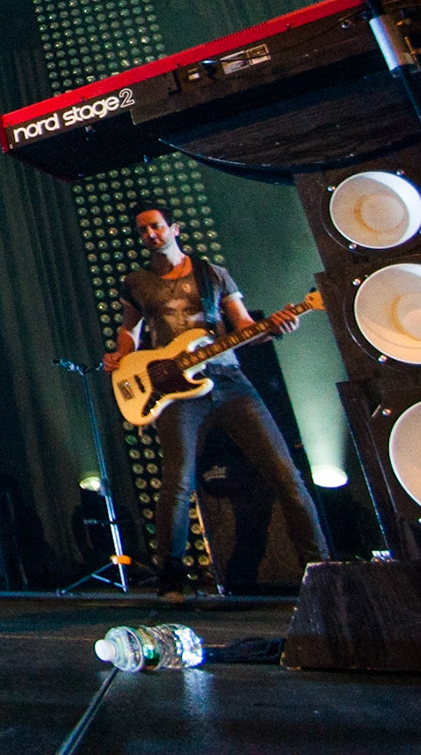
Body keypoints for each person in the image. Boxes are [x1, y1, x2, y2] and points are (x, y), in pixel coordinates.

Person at [102, 202, 328, 603]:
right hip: (172, 389)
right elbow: (129, 330)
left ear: (174, 228)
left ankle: (322, 568)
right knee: (178, 481)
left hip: (228, 379)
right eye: (143, 231)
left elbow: (243, 327)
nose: (150, 235)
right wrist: (119, 356)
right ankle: (170, 579)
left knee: (285, 474)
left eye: (155, 227)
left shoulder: (212, 274)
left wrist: (274, 328)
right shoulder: (136, 282)